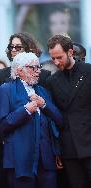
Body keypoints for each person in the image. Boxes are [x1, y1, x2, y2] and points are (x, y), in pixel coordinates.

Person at [0, 52, 63, 188]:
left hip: (45, 160)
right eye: (33, 68)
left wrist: (44, 104)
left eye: (39, 67)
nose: (38, 72)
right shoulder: (6, 90)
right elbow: (2, 125)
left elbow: (59, 120)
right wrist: (25, 111)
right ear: (20, 70)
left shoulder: (42, 91)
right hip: (20, 159)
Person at [46, 34, 91, 188]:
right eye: (53, 58)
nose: (56, 62)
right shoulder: (52, 81)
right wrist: (58, 150)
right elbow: (55, 118)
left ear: (70, 52)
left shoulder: (89, 72)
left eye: (59, 57)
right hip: (69, 147)